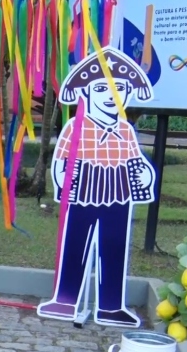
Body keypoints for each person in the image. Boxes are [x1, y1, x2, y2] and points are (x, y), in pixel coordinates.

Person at [36, 47, 156, 327]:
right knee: (75, 246)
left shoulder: (126, 130)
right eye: (102, 88)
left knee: (113, 249)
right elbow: (62, 162)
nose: (112, 96)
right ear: (87, 93)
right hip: (82, 197)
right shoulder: (74, 127)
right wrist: (62, 182)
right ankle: (66, 299)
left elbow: (136, 162)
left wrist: (145, 178)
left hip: (119, 198)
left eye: (120, 88)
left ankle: (111, 306)